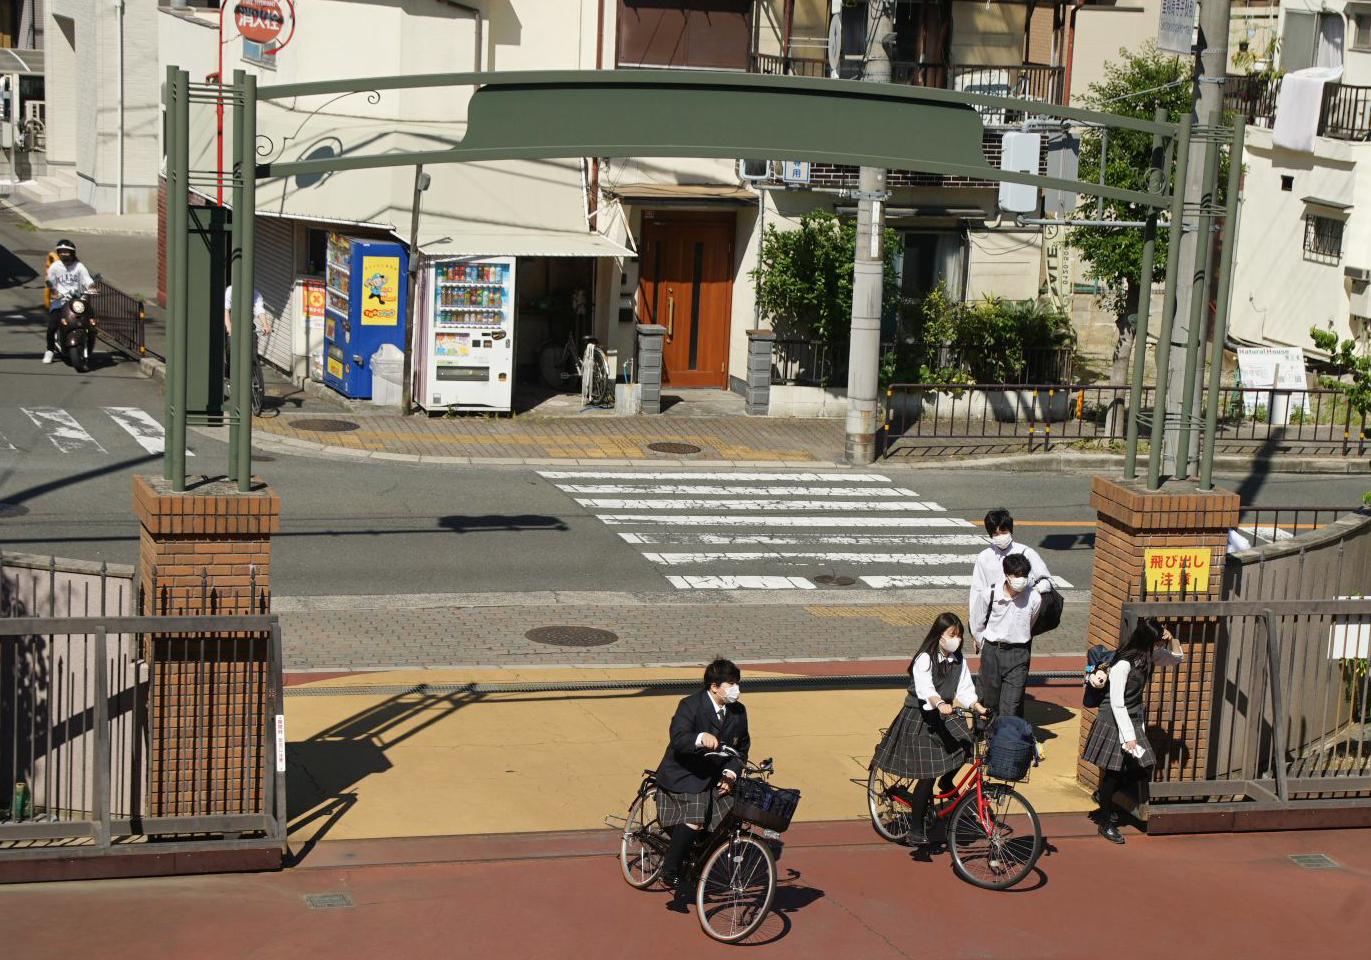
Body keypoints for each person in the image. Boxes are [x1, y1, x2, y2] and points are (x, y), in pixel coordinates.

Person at [873, 612, 987, 845]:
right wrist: (940, 703)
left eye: (959, 635)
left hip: (943, 714)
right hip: (920, 715)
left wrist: (977, 706)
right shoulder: (925, 658)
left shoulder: (958, 661)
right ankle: (915, 829)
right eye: (951, 635)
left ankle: (947, 781)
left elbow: (964, 689)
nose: (956, 640)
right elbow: (926, 689)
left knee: (966, 743)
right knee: (927, 775)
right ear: (939, 635)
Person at [1080, 617, 1184, 844]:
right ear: (1148, 640)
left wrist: (1172, 638)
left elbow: (1177, 658)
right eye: (1157, 641)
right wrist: (1128, 738)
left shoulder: (1148, 656)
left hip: (1132, 718)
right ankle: (1106, 823)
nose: (1159, 646)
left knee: (1145, 766)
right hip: (1114, 720)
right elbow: (1117, 703)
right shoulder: (1123, 664)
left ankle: (1104, 796)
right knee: (1114, 772)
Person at [654, 658, 750, 894]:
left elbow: (742, 747)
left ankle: (700, 856)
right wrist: (699, 738)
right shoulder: (690, 705)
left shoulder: (738, 711)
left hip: (716, 774)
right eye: (730, 683)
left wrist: (730, 772)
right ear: (714, 686)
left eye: (736, 683)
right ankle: (670, 867)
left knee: (733, 814)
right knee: (695, 817)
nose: (735, 688)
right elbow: (678, 739)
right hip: (686, 773)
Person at [970, 553, 1041, 718]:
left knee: (1011, 703)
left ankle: (1005, 740)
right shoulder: (990, 594)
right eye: (1017, 576)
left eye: (1024, 576)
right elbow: (977, 623)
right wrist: (982, 644)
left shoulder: (1034, 598)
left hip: (1018, 654)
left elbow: (1031, 622)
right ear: (1007, 575)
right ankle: (987, 737)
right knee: (989, 700)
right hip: (992, 651)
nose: (1021, 580)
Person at [970, 507, 1054, 604]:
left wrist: (1034, 590)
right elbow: (977, 590)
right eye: (996, 534)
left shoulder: (1026, 552)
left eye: (1004, 532)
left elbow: (1048, 582)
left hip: (1022, 609)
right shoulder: (983, 557)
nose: (1001, 537)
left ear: (1010, 531)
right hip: (994, 612)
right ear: (991, 535)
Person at [44, 239, 95, 364]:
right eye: (61, 252)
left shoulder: (79, 266)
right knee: (52, 326)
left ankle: (87, 343)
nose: (63, 254)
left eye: (66, 251)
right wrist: (54, 291)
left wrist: (91, 287)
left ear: (72, 253)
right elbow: (49, 280)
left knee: (90, 322)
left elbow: (87, 280)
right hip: (59, 301)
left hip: (77, 301)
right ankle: (50, 350)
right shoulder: (55, 266)